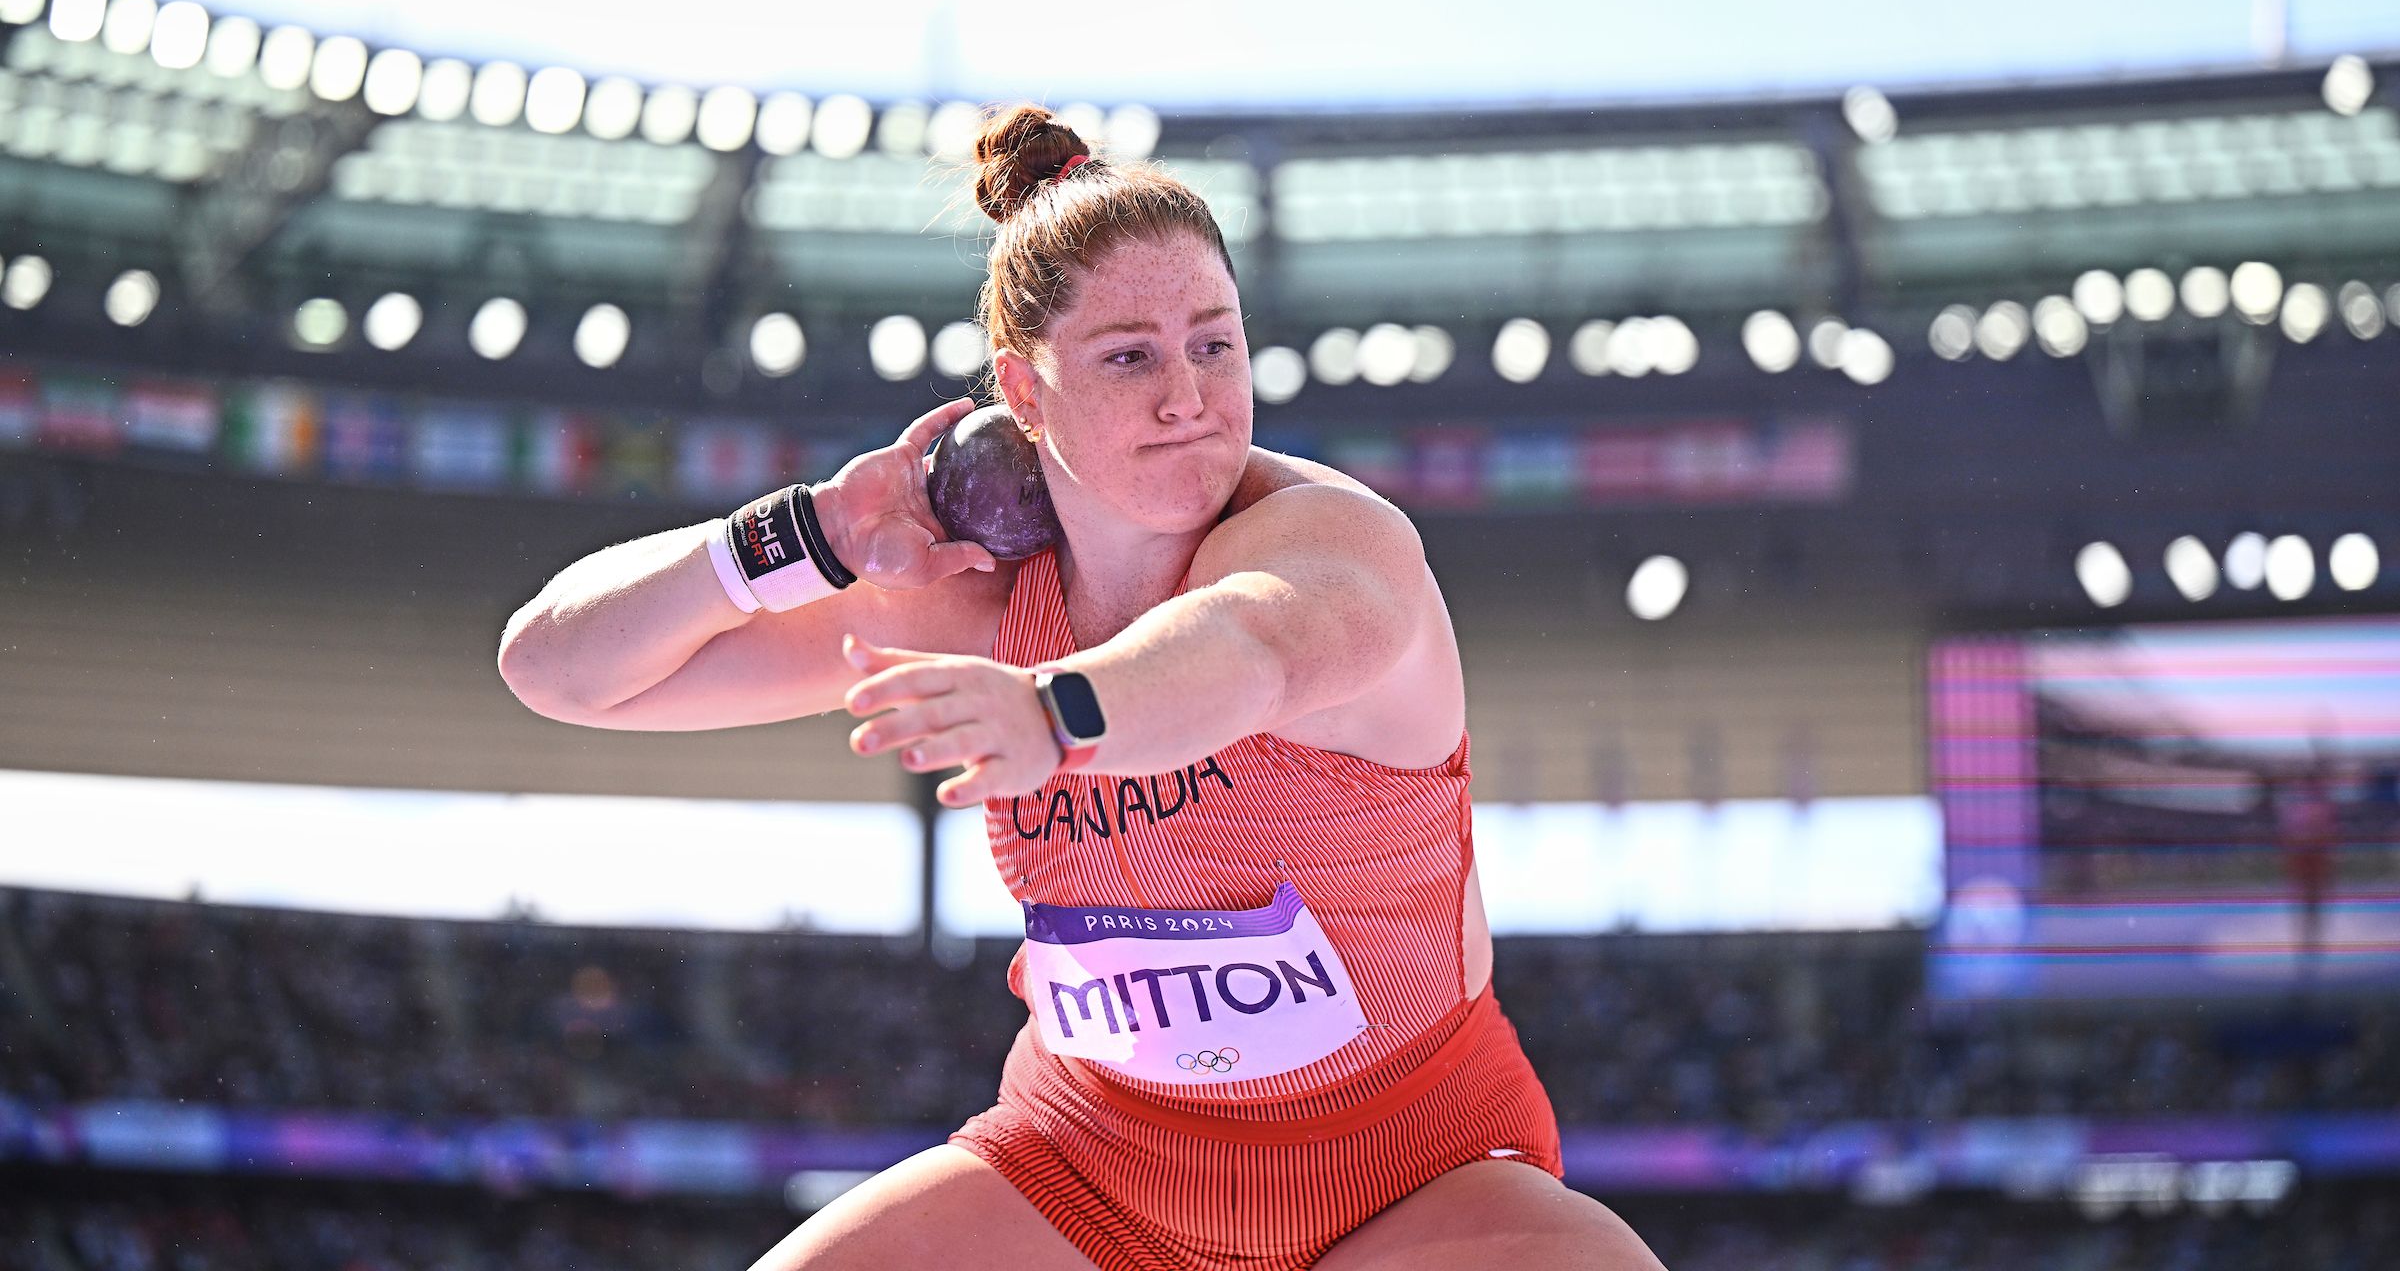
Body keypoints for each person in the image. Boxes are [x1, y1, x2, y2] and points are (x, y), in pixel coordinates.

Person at [497, 105, 1666, 1270]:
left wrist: (1057, 711)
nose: (1187, 398)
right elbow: (559, 668)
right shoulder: (981, 598)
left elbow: (1250, 647)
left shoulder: (1336, 543)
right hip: (1084, 1169)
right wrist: (810, 531)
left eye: (1215, 343)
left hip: (1415, 1174)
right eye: (1130, 356)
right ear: (1027, 389)